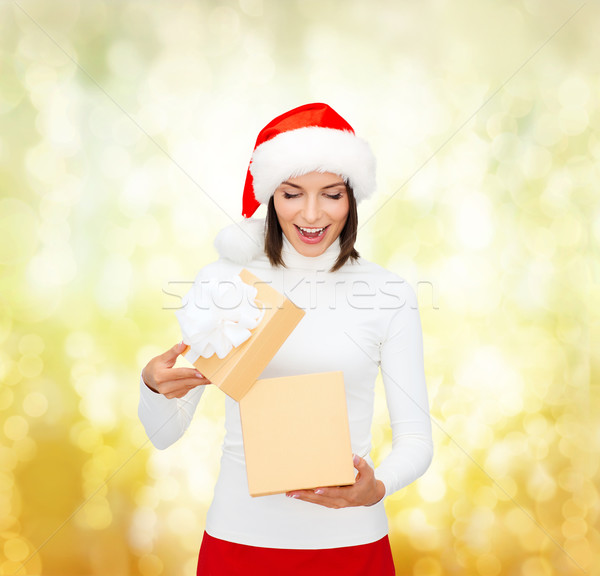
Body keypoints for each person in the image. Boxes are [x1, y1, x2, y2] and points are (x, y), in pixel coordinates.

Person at [138, 103, 433, 575]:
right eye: (292, 194)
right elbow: (164, 434)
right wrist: (155, 386)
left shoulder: (388, 293)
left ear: (352, 197)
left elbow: (416, 438)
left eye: (331, 194)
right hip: (239, 544)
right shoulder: (228, 284)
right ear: (270, 198)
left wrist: (376, 488)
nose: (312, 214)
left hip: (353, 547)